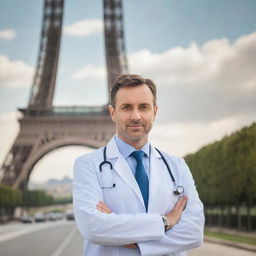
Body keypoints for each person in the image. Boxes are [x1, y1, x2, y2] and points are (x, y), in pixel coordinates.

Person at [73, 74, 205, 256]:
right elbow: (92, 227)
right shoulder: (87, 165)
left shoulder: (177, 166)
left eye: (143, 107)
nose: (136, 116)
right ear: (113, 113)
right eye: (126, 108)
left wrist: (134, 242)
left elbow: (194, 233)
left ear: (155, 112)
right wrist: (166, 222)